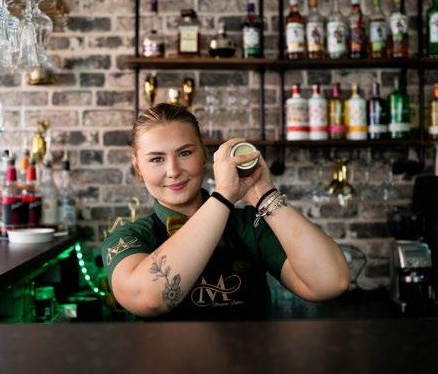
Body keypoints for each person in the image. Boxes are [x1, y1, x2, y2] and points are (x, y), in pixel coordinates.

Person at [101, 103, 350, 320]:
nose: (173, 171)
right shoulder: (127, 237)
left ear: (204, 155)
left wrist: (264, 194)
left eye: (185, 153)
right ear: (138, 167)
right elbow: (148, 299)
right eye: (156, 159)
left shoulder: (249, 224)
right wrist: (223, 197)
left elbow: (330, 283)